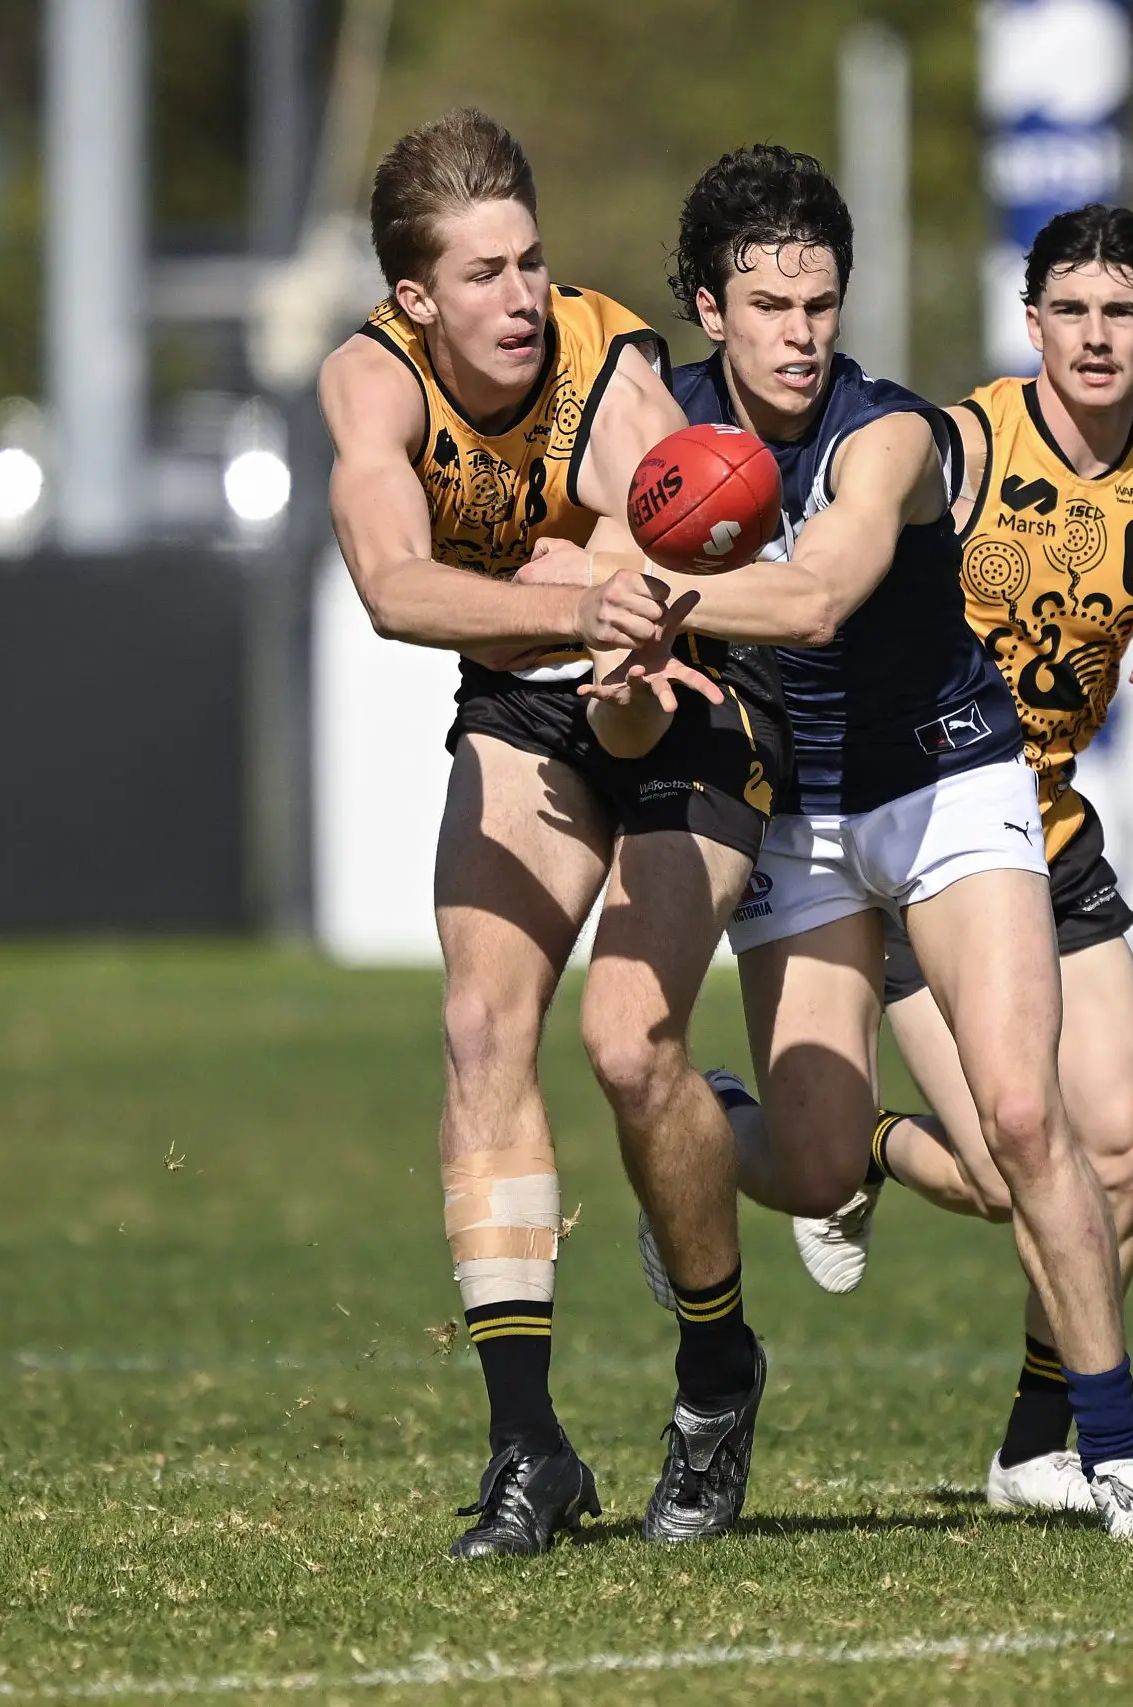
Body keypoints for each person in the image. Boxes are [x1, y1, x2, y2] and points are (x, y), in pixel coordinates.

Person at [650, 146, 1133, 1540]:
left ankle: (1115, 1450)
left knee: (1026, 1115)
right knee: (821, 1164)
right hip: (800, 815)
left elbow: (822, 591)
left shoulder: (887, 431)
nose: (800, 332)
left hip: (953, 780)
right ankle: (698, 1133)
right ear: (710, 309)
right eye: (769, 305)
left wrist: (631, 590)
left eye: (821, 302)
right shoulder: (656, 427)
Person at [317, 108, 784, 1557]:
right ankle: (529, 1445)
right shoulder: (368, 386)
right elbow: (395, 585)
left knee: (632, 1042)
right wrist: (570, 606)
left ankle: (717, 1369)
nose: (522, 298)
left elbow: (666, 524)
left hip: (686, 687)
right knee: (479, 1023)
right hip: (533, 692)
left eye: (531, 261)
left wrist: (618, 587)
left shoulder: (608, 357)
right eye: (483, 275)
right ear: (416, 298)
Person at [762, 204, 1133, 1515]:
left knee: (1123, 1153)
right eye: (1070, 311)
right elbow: (836, 586)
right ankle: (854, 1149)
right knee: (1003, 1169)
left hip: (1053, 840)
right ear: (1031, 325)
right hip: (935, 836)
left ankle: (1038, 1442)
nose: (1096, 336)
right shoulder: (956, 446)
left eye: (1121, 312)